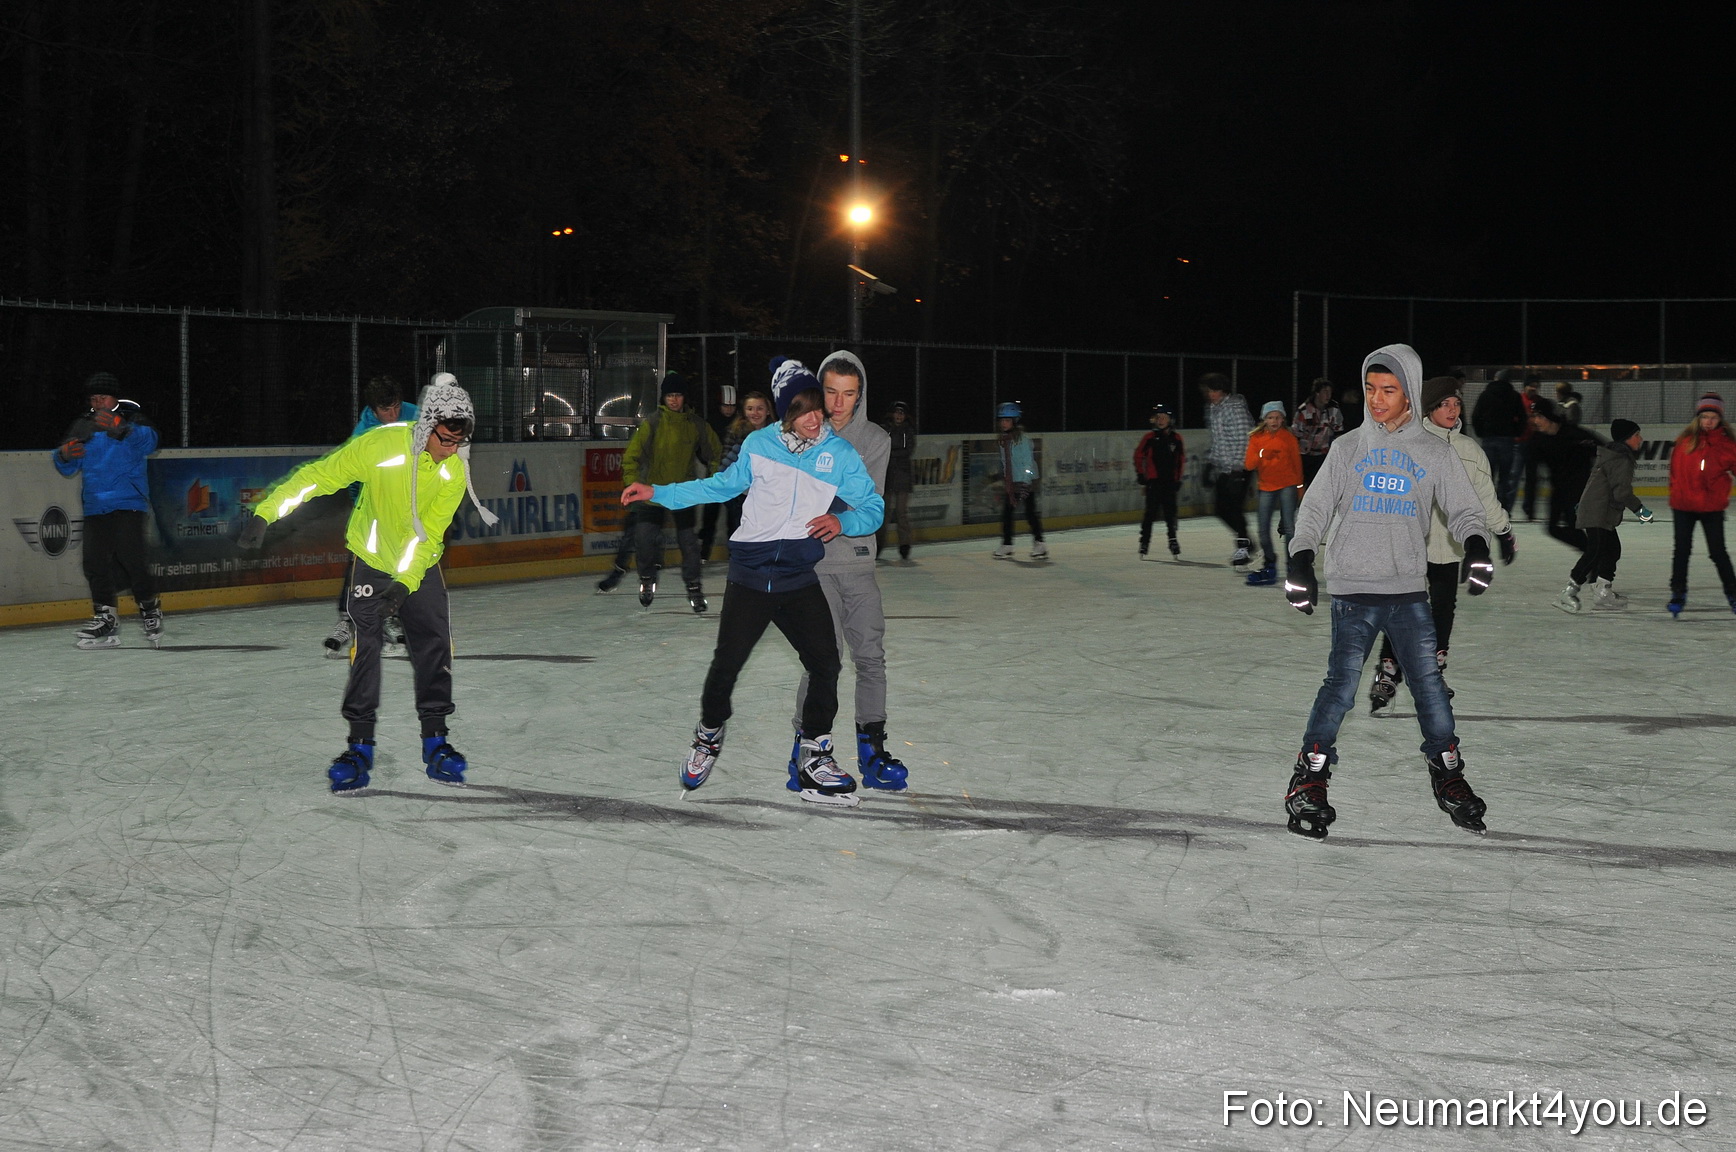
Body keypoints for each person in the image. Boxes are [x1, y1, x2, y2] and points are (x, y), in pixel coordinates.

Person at [620, 359, 884, 806]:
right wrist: (658, 492)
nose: (814, 417)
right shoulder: (760, 445)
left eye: (818, 408)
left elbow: (873, 510)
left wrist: (842, 522)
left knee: (826, 663)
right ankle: (707, 735)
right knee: (726, 667)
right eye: (802, 409)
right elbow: (721, 486)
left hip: (798, 578)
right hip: (750, 577)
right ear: (786, 411)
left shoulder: (839, 454)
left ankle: (814, 753)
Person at [237, 375, 499, 792]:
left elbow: (430, 536)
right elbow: (319, 477)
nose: (452, 450)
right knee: (366, 648)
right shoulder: (380, 446)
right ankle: (360, 747)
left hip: (417, 565)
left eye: (459, 441)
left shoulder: (453, 471)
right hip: (372, 560)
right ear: (427, 424)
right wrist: (265, 512)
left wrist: (404, 583)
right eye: (446, 439)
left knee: (434, 643)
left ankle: (437, 742)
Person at [1282, 344, 1493, 840]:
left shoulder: (1434, 451)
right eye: (1371, 389)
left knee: (1430, 689)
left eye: (1389, 390)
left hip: (1407, 593)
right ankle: (1309, 780)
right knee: (1340, 688)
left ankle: (1449, 774)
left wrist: (1479, 546)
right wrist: (1300, 557)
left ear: (1410, 394)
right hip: (1354, 591)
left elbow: (1464, 510)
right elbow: (1313, 511)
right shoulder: (1347, 447)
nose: (1376, 399)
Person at [788, 351, 909, 792]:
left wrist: (820, 495)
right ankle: (804, 753)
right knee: (821, 660)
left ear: (861, 396)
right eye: (831, 393)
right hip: (812, 567)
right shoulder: (800, 432)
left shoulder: (875, 439)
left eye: (849, 394)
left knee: (871, 657)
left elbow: (866, 504)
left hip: (857, 564)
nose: (839, 404)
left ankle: (872, 751)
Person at [1368, 377, 1516, 711]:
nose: (1452, 410)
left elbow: (1484, 498)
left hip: (1449, 547)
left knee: (1442, 608)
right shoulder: (1408, 443)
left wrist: (1503, 530)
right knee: (1401, 607)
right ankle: (1389, 667)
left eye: (1457, 404)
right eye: (1444, 404)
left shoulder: (1468, 450)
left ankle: (1435, 667)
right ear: (1430, 407)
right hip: (1410, 543)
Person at [55, 372, 164, 649]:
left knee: (132, 559)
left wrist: (122, 429)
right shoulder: (84, 424)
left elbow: (150, 442)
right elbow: (65, 462)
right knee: (94, 562)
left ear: (114, 397)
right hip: (95, 504)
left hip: (128, 502)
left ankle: (149, 608)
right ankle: (106, 617)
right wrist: (65, 455)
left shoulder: (132, 418)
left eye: (102, 396)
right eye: (93, 397)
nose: (97, 401)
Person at [598, 372, 722, 611]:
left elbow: (715, 453)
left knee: (689, 544)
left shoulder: (696, 425)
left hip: (683, 492)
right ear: (663, 398)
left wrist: (712, 481)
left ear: (684, 397)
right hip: (652, 492)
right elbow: (631, 457)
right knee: (644, 539)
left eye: (678, 395)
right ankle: (646, 579)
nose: (674, 400)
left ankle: (694, 588)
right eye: (669, 395)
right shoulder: (653, 423)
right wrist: (633, 483)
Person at [323, 375, 421, 657]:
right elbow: (353, 478)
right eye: (385, 411)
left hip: (410, 502)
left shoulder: (416, 416)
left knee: (407, 557)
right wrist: (366, 510)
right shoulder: (364, 434)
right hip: (375, 505)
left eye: (396, 408)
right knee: (363, 554)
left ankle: (391, 616)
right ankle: (347, 618)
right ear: (373, 410)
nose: (393, 416)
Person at [1556, 419, 1654, 613]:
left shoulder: (1612, 455)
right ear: (1627, 439)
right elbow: (1622, 493)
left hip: (1598, 510)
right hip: (1598, 511)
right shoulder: (1620, 459)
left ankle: (1602, 591)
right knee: (1595, 551)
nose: (1640, 439)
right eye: (1636, 435)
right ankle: (1568, 592)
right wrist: (1641, 511)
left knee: (1612, 550)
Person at [1666, 393, 1736, 617]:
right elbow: (1674, 472)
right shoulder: (1685, 441)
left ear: (1720, 419)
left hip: (1711, 507)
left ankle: (1733, 594)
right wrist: (1677, 492)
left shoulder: (1727, 445)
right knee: (1681, 552)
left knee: (1718, 553)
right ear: (1698, 418)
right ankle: (1678, 593)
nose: (1708, 421)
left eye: (1713, 417)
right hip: (1683, 506)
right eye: (1704, 416)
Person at [1527, 397, 1603, 554]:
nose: (1536, 421)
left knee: (1572, 522)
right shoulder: (1537, 440)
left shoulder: (1573, 434)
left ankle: (1592, 556)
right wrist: (1530, 504)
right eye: (1534, 416)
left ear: (1550, 417)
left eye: (1540, 416)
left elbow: (1603, 448)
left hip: (1580, 486)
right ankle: (1592, 553)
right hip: (1559, 488)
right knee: (1552, 528)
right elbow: (1531, 473)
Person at [1242, 400, 1302, 586]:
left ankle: (1293, 566)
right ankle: (1270, 563)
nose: (1274, 421)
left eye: (1277, 417)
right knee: (1262, 529)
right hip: (1266, 486)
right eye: (1270, 417)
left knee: (1290, 528)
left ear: (1283, 419)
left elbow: (1296, 464)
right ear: (1264, 419)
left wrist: (1300, 488)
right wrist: (1262, 454)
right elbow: (1249, 464)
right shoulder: (1256, 438)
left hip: (1288, 485)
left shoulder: (1288, 438)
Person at [1200, 373, 1255, 568]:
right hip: (1224, 467)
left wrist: (1238, 470)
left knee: (1233, 507)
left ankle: (1243, 546)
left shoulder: (1235, 408)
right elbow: (1217, 440)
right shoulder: (1213, 409)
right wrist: (1210, 464)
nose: (1211, 395)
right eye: (1209, 391)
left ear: (1223, 391)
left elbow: (1244, 440)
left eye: (1215, 391)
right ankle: (1247, 540)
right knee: (1220, 509)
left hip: (1240, 467)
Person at [991, 401, 1045, 559]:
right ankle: (1007, 545)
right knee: (1007, 513)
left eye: (1007, 420)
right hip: (1013, 481)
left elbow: (1028, 463)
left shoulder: (1022, 440)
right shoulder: (1003, 440)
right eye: (1001, 421)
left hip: (1027, 481)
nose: (1004, 424)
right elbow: (1005, 462)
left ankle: (1040, 544)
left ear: (1015, 421)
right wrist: (1004, 477)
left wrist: (1026, 482)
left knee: (1029, 513)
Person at [719, 389, 774, 546]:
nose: (755, 413)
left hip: (768, 496)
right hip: (741, 496)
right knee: (740, 537)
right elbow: (725, 463)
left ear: (768, 411)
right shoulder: (736, 432)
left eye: (759, 408)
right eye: (750, 409)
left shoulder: (776, 434)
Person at [1471, 368, 1527, 512]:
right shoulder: (1514, 396)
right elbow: (1522, 418)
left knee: (1487, 476)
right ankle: (1503, 509)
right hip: (1507, 440)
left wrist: (1482, 433)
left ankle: (1486, 508)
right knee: (1505, 477)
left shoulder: (1485, 395)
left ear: (1495, 378)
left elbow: (1476, 416)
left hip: (1489, 439)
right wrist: (1515, 432)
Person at [1134, 402, 1185, 558]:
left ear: (1170, 420)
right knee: (1150, 513)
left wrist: (1177, 479)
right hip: (1154, 482)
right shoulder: (1150, 438)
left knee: (1170, 514)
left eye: (1164, 417)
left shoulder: (1176, 439)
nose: (1161, 420)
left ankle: (1173, 540)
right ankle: (1144, 542)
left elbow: (1180, 460)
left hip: (1169, 482)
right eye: (1158, 417)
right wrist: (1141, 474)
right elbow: (1138, 455)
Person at [697, 385, 738, 563]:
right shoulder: (711, 423)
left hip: (734, 479)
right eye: (725, 406)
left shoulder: (740, 422)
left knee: (734, 518)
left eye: (732, 406)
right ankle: (704, 552)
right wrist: (711, 464)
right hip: (714, 477)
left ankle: (733, 553)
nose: (728, 410)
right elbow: (701, 447)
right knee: (710, 516)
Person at [881, 400, 917, 560]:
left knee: (902, 513)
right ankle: (878, 546)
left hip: (903, 477)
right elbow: (881, 450)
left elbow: (907, 451)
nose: (899, 416)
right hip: (887, 477)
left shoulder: (908, 431)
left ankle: (904, 546)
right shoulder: (885, 430)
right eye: (897, 413)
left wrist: (892, 453)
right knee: (884, 514)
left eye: (902, 413)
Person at [1291, 378, 1342, 486]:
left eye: (1330, 392)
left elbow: (1339, 431)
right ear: (1317, 393)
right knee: (1305, 485)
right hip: (1306, 455)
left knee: (1323, 485)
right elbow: (1295, 434)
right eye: (1325, 392)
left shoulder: (1334, 409)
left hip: (1324, 454)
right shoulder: (1304, 410)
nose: (1328, 395)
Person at [1517, 374, 1543, 520]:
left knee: (1532, 478)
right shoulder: (1519, 400)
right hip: (1519, 442)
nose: (1533, 388)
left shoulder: (1539, 402)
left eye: (1536, 386)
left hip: (1534, 443)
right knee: (1513, 477)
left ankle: (1529, 509)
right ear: (1525, 386)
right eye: (1531, 385)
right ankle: (1504, 509)